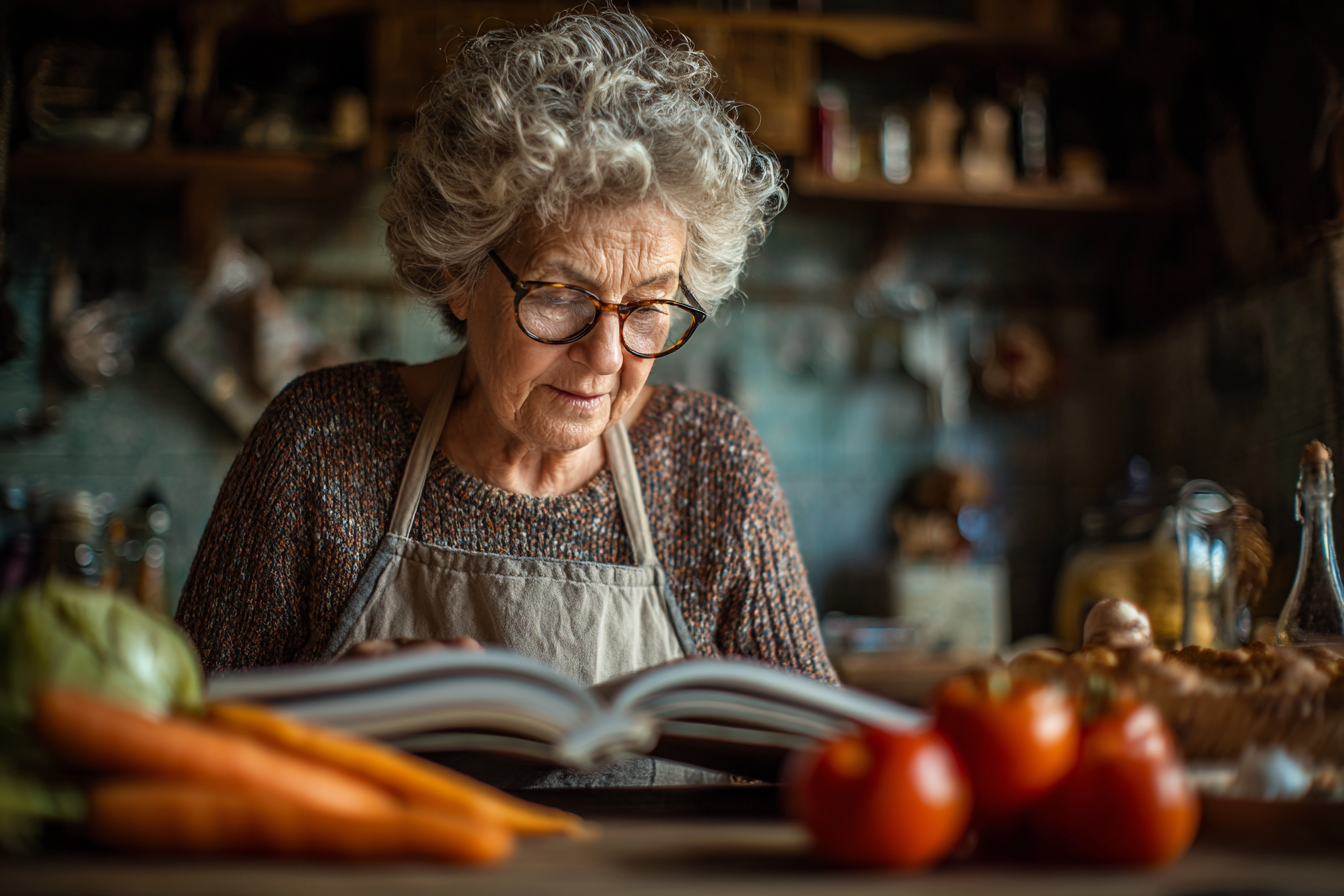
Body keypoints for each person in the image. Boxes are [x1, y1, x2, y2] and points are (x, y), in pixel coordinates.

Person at [177, 10, 834, 716]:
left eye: (647, 308)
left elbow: (826, 760)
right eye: (560, 296)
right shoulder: (318, 443)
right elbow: (185, 740)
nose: (607, 356)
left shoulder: (713, 464)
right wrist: (324, 702)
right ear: (461, 274)